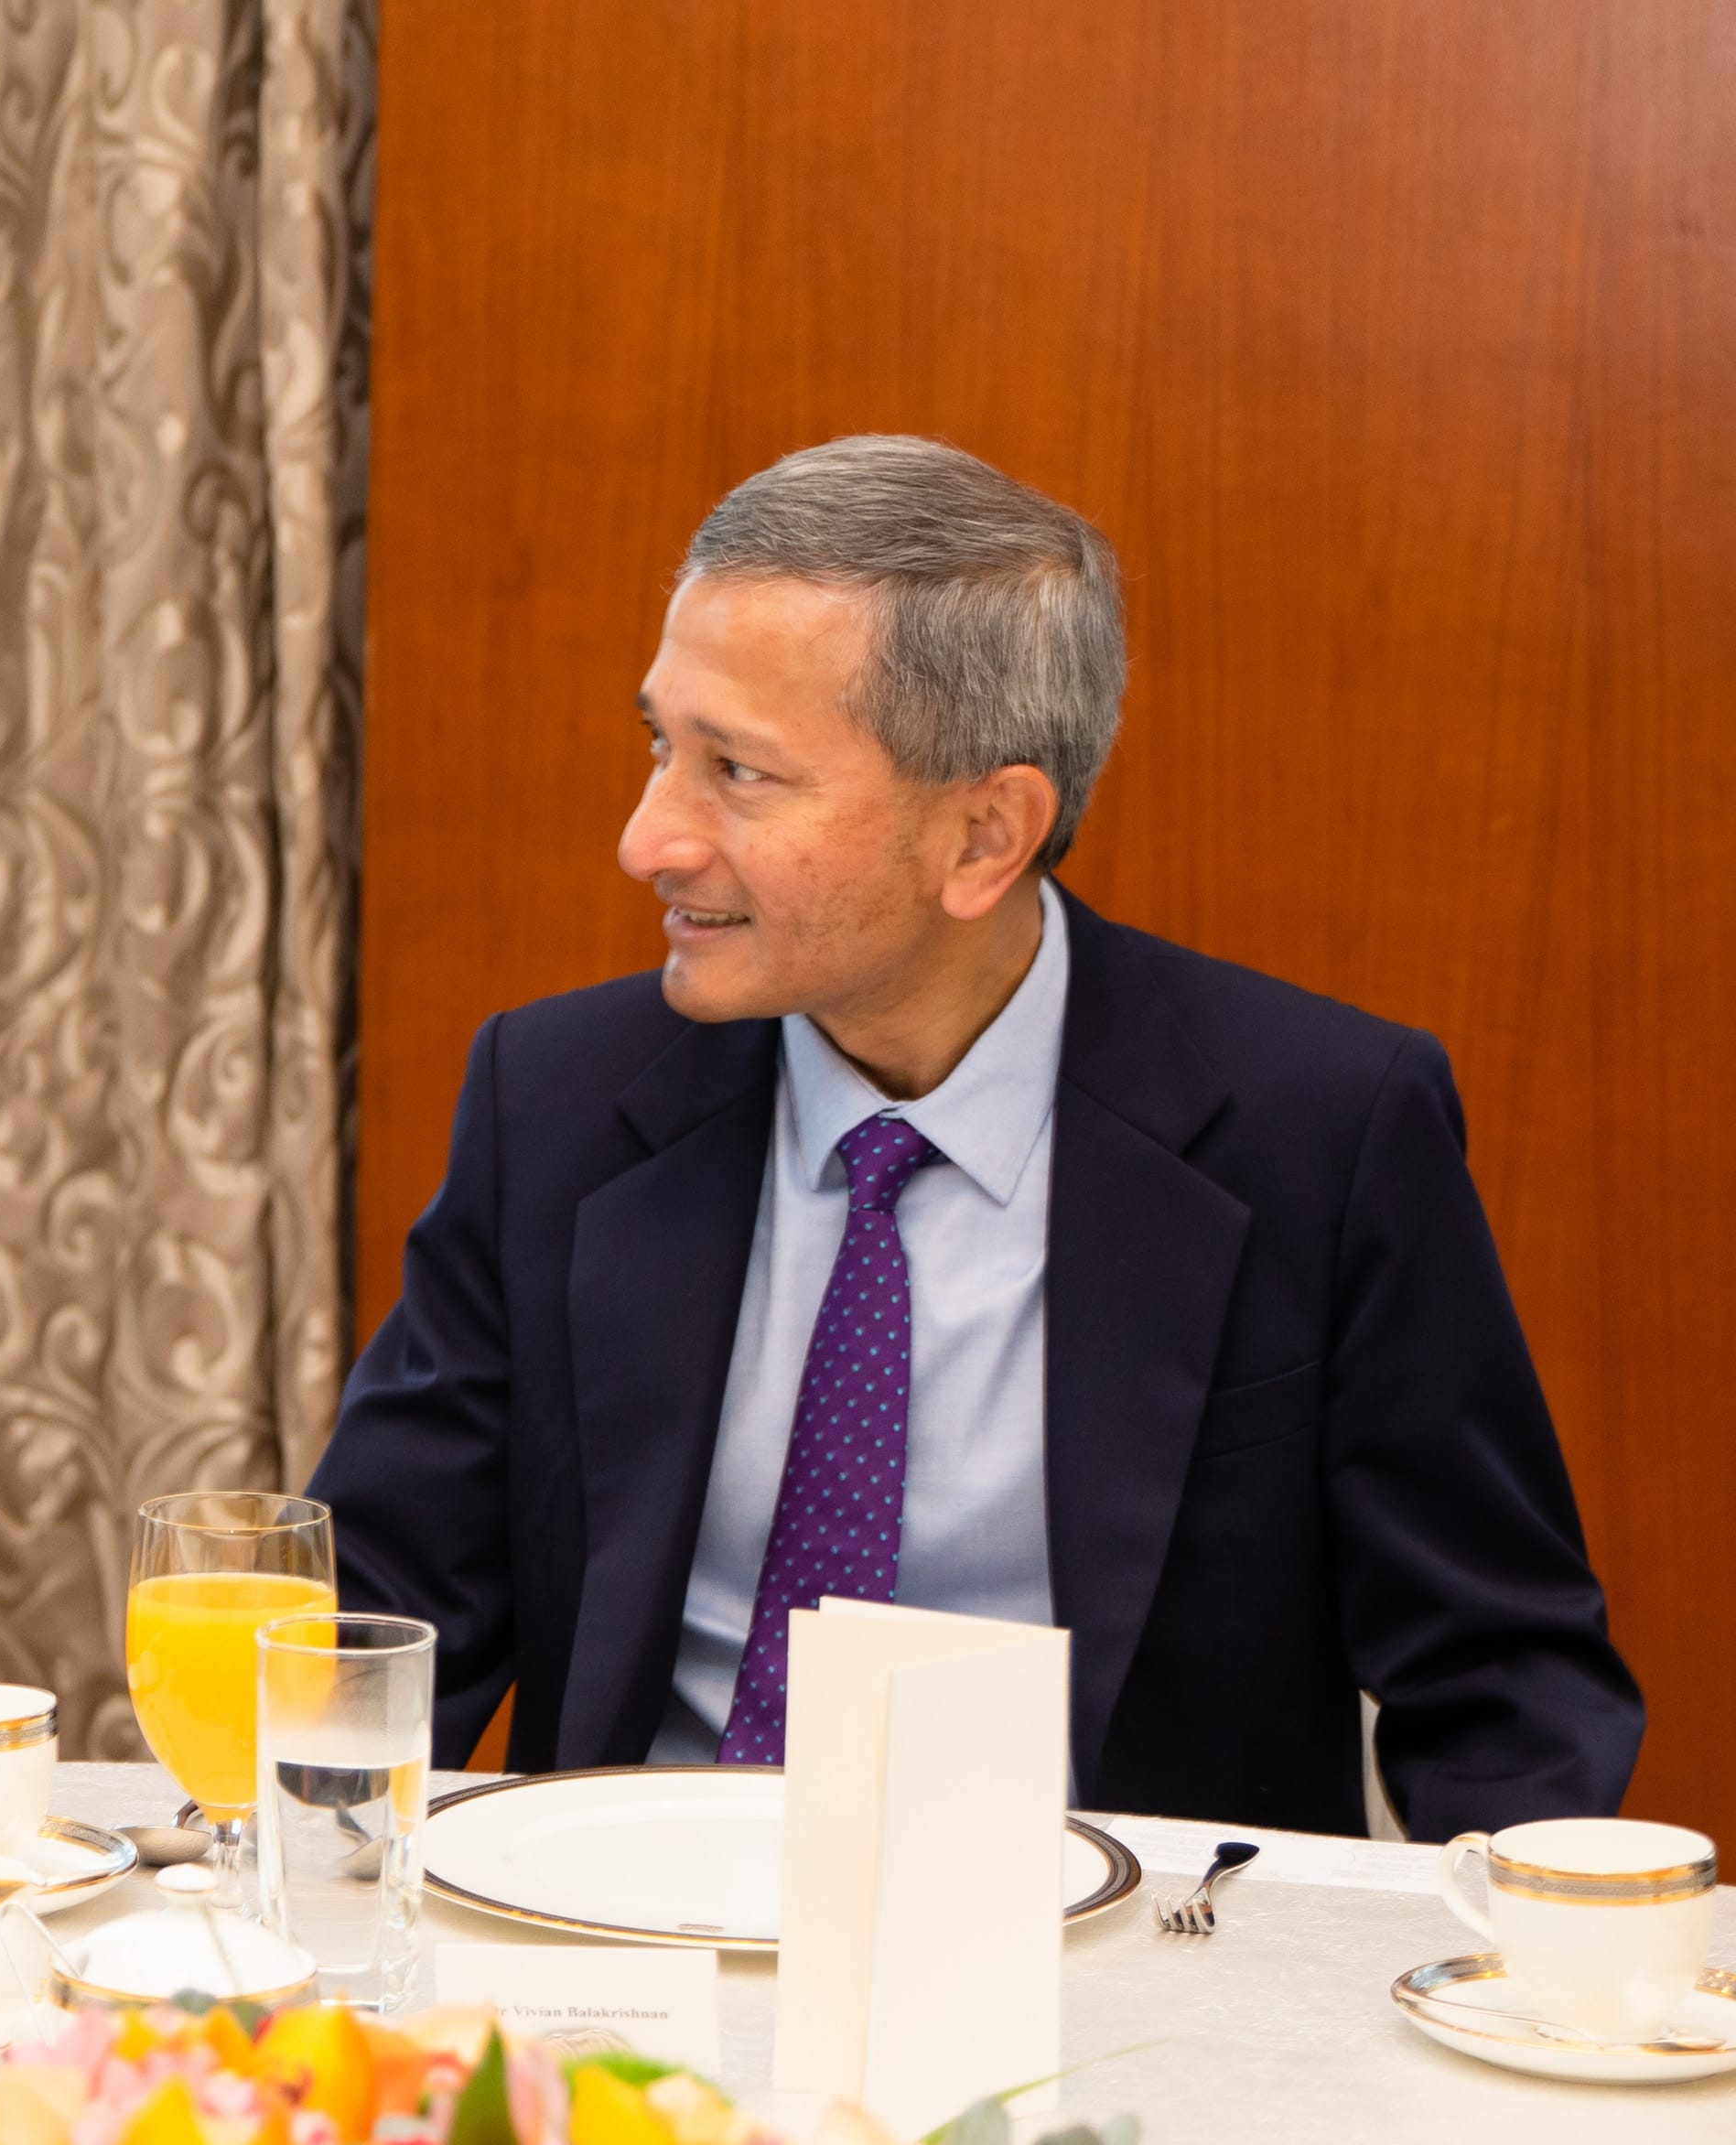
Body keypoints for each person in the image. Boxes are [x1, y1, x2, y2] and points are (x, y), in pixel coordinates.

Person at [309, 435, 1635, 1838]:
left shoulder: (1319, 1128)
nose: (650, 838)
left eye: (738, 773)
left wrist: (1495, 1990)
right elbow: (383, 1619)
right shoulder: (559, 1098)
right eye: (661, 744)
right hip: (634, 1952)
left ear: (985, 835)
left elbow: (1502, 1679)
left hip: (1116, 1985)